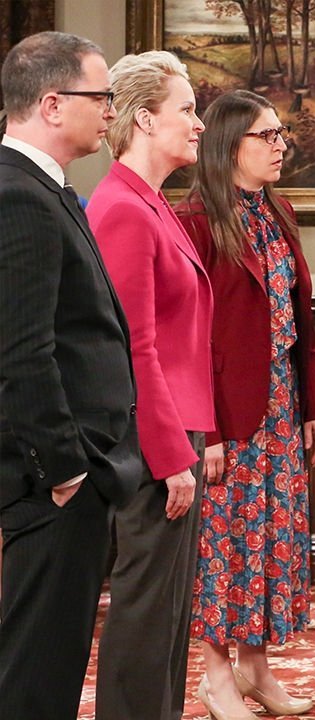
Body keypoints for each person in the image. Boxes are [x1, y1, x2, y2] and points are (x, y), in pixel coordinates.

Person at [0, 31, 144, 720]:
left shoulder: (45, 187)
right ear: (52, 104)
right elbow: (20, 352)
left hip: (76, 470)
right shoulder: (18, 194)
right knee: (37, 670)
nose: (111, 110)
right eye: (101, 96)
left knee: (51, 662)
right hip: (55, 479)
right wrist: (62, 468)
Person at [176, 89, 315, 720]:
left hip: (282, 405)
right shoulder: (195, 220)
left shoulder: (279, 211)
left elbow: (302, 323)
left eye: (280, 134)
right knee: (227, 544)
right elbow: (191, 338)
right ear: (227, 144)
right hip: (227, 411)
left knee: (271, 540)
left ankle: (256, 670)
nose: (279, 145)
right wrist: (206, 429)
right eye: (265, 135)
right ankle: (216, 678)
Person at [87, 50, 215, 719]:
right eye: (187, 110)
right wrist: (170, 457)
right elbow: (132, 347)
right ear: (142, 119)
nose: (199, 123)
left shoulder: (152, 203)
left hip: (174, 433)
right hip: (150, 444)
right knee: (145, 616)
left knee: (166, 616)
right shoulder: (124, 209)